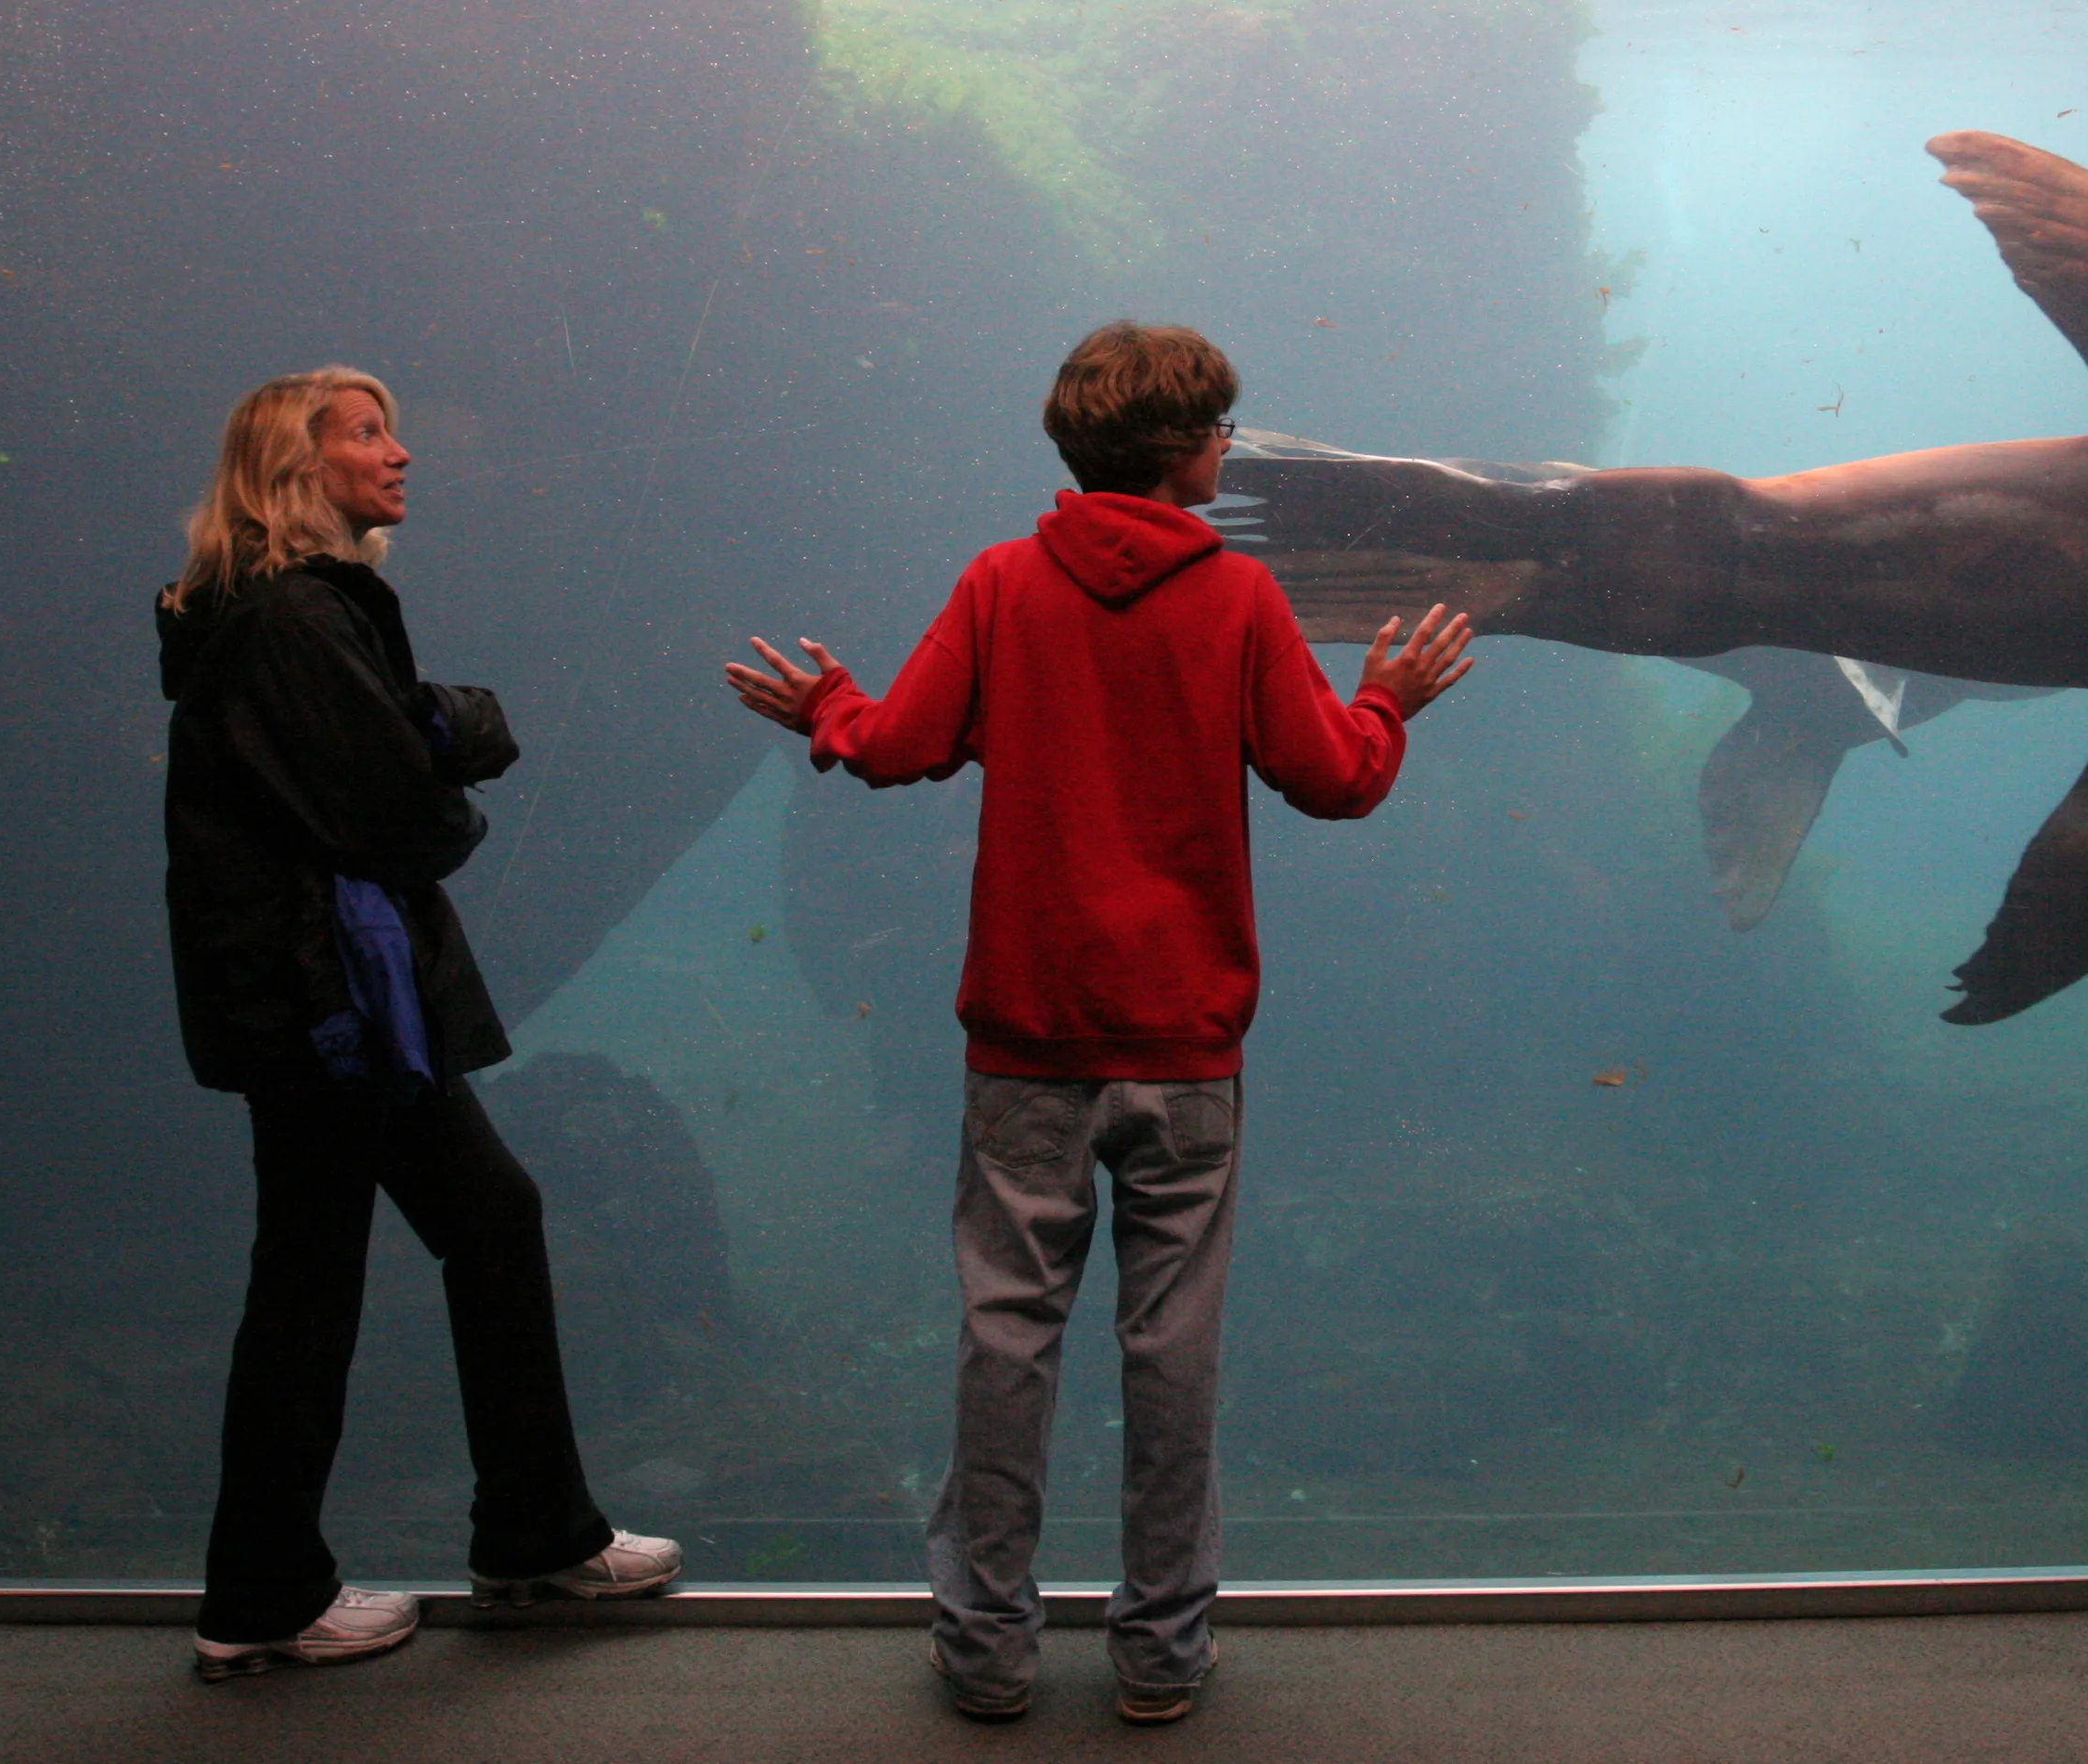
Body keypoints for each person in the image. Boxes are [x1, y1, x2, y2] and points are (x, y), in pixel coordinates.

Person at [725, 322, 1472, 1725]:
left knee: (1004, 1339)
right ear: (1190, 451)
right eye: (1225, 431)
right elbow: (1331, 782)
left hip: (1026, 1038)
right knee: (1170, 1349)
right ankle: (1160, 1654)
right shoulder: (1238, 597)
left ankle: (987, 1648)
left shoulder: (1003, 584)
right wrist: (1386, 702)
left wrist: (824, 704)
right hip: (1181, 1043)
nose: (1229, 451)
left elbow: (898, 749)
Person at [158, 367, 681, 1681]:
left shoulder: (270, 613)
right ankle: (271, 1595)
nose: (402, 455)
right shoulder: (293, 617)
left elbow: (378, 753)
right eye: (369, 435)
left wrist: (433, 730)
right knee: (316, 1279)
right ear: (298, 463)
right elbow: (395, 808)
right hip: (329, 1003)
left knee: (475, 1223)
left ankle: (525, 1533)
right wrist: (456, 745)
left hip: (328, 997)